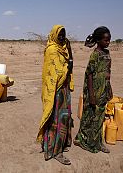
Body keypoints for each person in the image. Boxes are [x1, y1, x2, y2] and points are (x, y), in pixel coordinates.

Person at [37, 25, 74, 165]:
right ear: (54, 35)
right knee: (55, 119)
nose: (62, 37)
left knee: (64, 118)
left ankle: (59, 145)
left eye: (64, 34)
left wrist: (69, 48)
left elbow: (71, 64)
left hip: (64, 89)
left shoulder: (64, 49)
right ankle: (54, 150)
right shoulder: (52, 50)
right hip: (55, 90)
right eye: (59, 34)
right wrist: (67, 67)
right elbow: (54, 73)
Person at [74, 26, 113, 153]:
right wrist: (91, 94)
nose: (108, 42)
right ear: (98, 40)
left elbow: (108, 72)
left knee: (100, 117)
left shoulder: (106, 54)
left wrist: (109, 88)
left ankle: (97, 142)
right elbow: (89, 74)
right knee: (89, 116)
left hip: (103, 90)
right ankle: (82, 140)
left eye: (109, 40)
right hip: (94, 90)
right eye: (105, 40)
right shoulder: (95, 55)